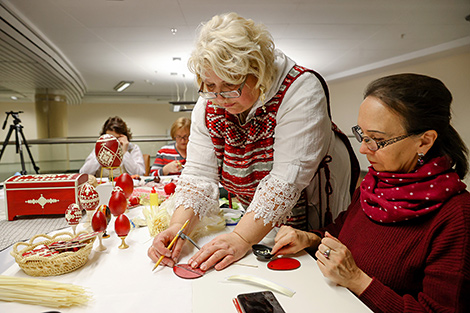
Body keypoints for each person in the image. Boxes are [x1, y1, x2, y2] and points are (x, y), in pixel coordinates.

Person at [148, 13, 359, 271]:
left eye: (230, 85)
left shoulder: (301, 89)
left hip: (313, 191)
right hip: (264, 200)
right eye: (210, 85)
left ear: (258, 72)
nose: (220, 97)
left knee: (310, 257)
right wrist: (177, 227)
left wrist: (241, 237)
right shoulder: (211, 98)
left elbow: (285, 180)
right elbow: (198, 173)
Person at [271, 73, 470, 312]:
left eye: (376, 139)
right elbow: (338, 234)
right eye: (361, 134)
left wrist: (357, 280)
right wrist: (311, 239)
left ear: (424, 141)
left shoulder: (457, 216)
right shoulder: (374, 184)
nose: (363, 148)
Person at [80, 116, 145, 178]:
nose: (112, 142)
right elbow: (84, 173)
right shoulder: (100, 148)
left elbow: (139, 174)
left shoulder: (133, 148)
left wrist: (125, 152)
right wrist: (100, 154)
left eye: (117, 138)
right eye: (110, 138)